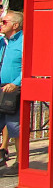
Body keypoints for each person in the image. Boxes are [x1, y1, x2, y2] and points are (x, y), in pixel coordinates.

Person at [0, 11, 24, 175]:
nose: (1, 24)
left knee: (14, 126)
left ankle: (20, 161)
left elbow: (28, 66)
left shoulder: (23, 41)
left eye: (4, 22)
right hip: (1, 87)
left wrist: (16, 83)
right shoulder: (3, 42)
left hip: (14, 90)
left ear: (15, 25)